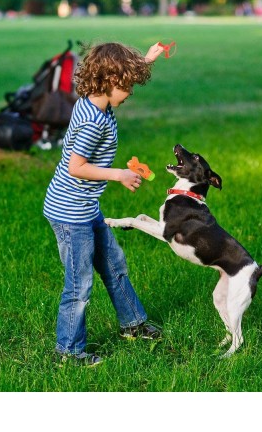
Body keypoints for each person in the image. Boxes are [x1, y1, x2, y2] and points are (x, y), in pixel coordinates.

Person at [43, 41, 164, 366]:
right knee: (79, 283)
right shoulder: (92, 122)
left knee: (113, 265)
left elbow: (116, 66)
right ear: (111, 82)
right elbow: (76, 167)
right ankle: (68, 351)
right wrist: (119, 174)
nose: (130, 94)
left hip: (84, 208)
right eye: (128, 87)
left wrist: (145, 60)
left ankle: (133, 324)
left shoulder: (93, 100)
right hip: (70, 214)